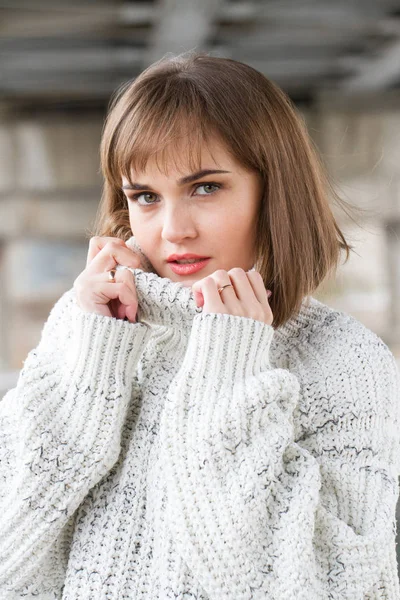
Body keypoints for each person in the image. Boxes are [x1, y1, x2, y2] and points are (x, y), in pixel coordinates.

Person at [0, 50, 399, 600]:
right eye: (145, 196)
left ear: (274, 191)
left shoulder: (344, 361)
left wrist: (230, 366)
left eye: (206, 187)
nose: (173, 229)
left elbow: (324, 588)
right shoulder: (89, 334)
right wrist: (90, 367)